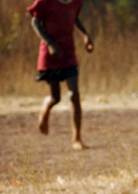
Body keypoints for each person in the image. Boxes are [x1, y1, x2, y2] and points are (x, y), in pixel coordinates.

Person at [27, 0, 93, 150]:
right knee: (55, 97)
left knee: (74, 94)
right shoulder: (44, 2)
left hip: (68, 53)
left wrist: (85, 35)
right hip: (51, 55)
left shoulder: (76, 2)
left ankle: (77, 138)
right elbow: (35, 22)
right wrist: (50, 43)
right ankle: (46, 107)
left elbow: (74, 17)